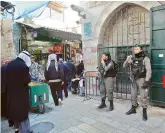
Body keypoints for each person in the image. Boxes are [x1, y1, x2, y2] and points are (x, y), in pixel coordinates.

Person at [6, 51, 32, 133]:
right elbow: (27, 80)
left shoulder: (10, 64)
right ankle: (25, 131)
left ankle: (17, 129)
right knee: (22, 114)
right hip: (21, 95)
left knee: (15, 112)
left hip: (12, 94)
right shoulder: (23, 66)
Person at [123, 45, 152, 121]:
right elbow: (124, 66)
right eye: (134, 49)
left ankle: (144, 112)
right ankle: (133, 108)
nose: (135, 50)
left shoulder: (145, 58)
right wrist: (127, 60)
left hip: (142, 79)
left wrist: (146, 80)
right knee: (133, 95)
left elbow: (149, 70)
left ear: (141, 50)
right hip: (133, 79)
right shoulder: (132, 58)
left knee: (143, 96)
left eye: (137, 49)